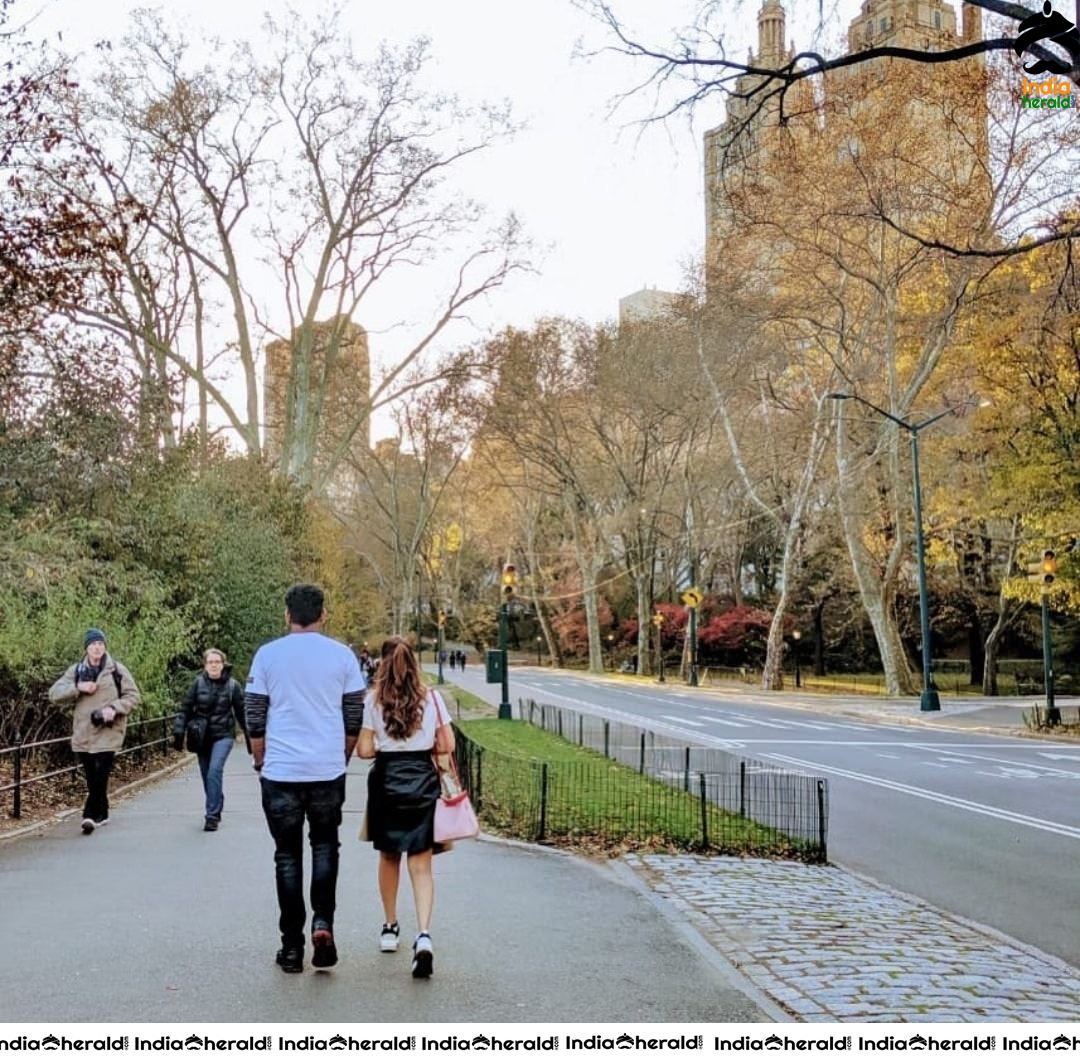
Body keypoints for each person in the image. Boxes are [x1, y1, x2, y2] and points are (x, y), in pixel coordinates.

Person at [245, 584, 366, 975]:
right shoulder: (342, 656)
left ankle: (291, 946)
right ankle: (323, 923)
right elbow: (353, 714)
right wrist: (342, 755)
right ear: (323, 615)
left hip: (281, 770)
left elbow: (255, 712)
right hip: (326, 770)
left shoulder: (267, 655)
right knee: (326, 846)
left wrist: (260, 757)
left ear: (287, 616)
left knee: (286, 855)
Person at [358, 636, 454, 979]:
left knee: (388, 856)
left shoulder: (373, 700)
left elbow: (365, 751)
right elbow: (447, 743)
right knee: (421, 863)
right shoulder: (433, 699)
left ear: (382, 664)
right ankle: (424, 935)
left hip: (387, 781)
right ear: (414, 663)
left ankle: (389, 926)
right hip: (422, 782)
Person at [48, 628, 141, 834]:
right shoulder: (76, 671)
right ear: (86, 648)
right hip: (84, 730)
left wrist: (113, 708)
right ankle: (104, 811)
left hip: (109, 728)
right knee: (91, 775)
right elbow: (54, 694)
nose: (97, 648)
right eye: (93, 645)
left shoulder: (117, 670)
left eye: (100, 644)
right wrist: (78, 688)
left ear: (105, 647)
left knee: (102, 773)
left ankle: (90, 814)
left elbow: (133, 696)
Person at [173, 648, 247, 831]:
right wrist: (178, 731)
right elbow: (185, 709)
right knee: (207, 775)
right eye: (210, 662)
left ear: (223, 664)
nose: (214, 665)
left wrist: (253, 740)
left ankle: (212, 816)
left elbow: (242, 713)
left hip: (224, 735)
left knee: (214, 771)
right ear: (205, 665)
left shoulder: (232, 686)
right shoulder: (197, 685)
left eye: (217, 662)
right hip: (202, 737)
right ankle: (217, 800)